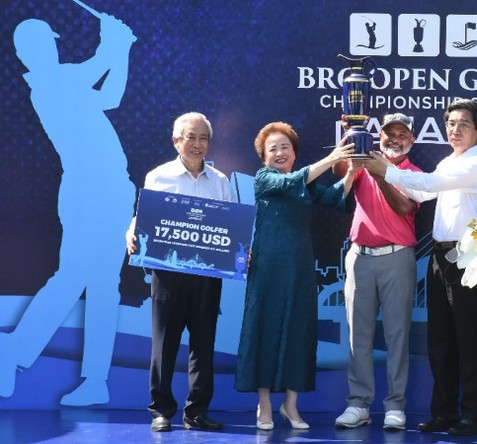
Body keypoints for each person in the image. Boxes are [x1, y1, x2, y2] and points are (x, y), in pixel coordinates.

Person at [0, 14, 135, 406]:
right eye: (43, 44)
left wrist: (121, 50)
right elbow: (97, 66)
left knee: (104, 285)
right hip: (87, 192)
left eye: (50, 42)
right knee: (73, 277)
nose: (51, 48)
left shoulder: (65, 81)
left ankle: (95, 380)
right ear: (28, 53)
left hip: (114, 188)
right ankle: (14, 350)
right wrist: (113, 43)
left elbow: (111, 96)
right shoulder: (48, 84)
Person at [364, 99, 477, 436]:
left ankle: (473, 416)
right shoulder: (448, 162)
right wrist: (383, 169)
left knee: (468, 339)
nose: (455, 130)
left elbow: (430, 185)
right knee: (440, 340)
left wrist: (386, 171)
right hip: (439, 258)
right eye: (451, 123)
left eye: (463, 124)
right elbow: (421, 193)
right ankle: (444, 413)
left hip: (468, 259)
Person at [235, 121, 355, 431]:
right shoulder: (264, 178)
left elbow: (335, 198)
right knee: (265, 328)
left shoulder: (306, 184)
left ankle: (290, 405)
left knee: (299, 331)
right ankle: (264, 405)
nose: (279, 153)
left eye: (285, 147)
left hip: (300, 268)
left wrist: (353, 170)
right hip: (267, 268)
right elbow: (291, 183)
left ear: (295, 153)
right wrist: (332, 158)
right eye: (272, 149)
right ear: (263, 157)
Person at [126, 112, 232, 432]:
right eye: (191, 137)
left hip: (207, 274)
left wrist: (241, 248)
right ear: (176, 141)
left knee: (203, 345)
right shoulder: (159, 177)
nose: (198, 144)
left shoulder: (221, 181)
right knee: (165, 344)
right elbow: (143, 217)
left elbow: (230, 227)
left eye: (204, 138)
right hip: (168, 273)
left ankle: (196, 412)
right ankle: (161, 411)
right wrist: (131, 232)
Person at [332, 113, 422, 431]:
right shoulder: (364, 161)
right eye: (389, 133)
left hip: (397, 257)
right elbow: (338, 172)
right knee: (358, 335)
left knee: (397, 335)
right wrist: (350, 139)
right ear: (379, 136)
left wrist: (380, 173)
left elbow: (404, 207)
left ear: (411, 140)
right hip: (359, 256)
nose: (395, 139)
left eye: (402, 134)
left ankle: (395, 406)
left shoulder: (414, 174)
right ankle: (358, 404)